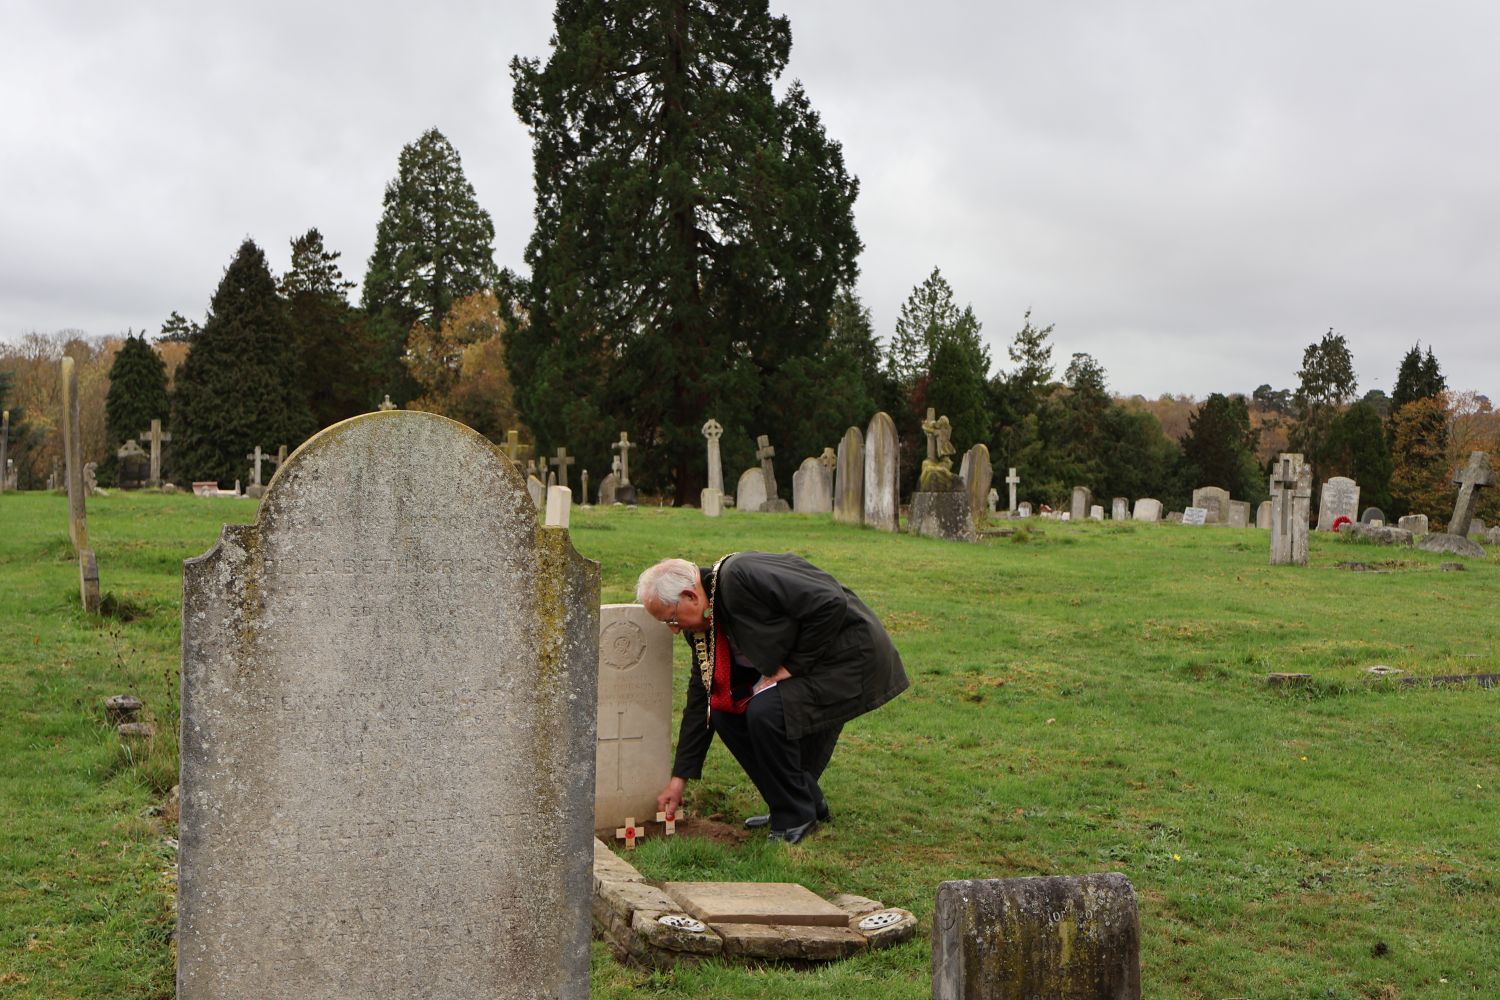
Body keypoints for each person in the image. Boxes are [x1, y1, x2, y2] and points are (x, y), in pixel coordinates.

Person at [636, 552, 909, 843]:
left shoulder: (741, 576)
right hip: (812, 665)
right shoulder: (702, 629)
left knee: (766, 711)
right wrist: (680, 779)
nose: (675, 630)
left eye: (672, 619)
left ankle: (795, 817)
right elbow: (703, 695)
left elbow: (830, 602)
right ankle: (798, 802)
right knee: (724, 712)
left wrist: (791, 666)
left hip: (849, 657)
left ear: (691, 595)